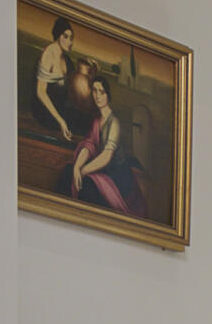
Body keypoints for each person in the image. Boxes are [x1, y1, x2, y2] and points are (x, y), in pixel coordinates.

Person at [68, 71, 141, 217]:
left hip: (118, 177)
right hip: (103, 171)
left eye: (101, 92)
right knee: (69, 172)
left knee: (86, 185)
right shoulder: (97, 120)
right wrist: (77, 167)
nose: (97, 96)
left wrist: (82, 171)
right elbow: (89, 145)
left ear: (108, 94)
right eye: (94, 91)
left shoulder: (114, 123)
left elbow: (107, 157)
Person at [33, 17, 78, 141]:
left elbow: (74, 84)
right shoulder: (48, 55)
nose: (70, 41)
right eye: (65, 36)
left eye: (71, 37)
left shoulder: (66, 60)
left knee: (86, 119)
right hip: (46, 112)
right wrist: (61, 121)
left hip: (61, 108)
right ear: (58, 36)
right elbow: (40, 92)